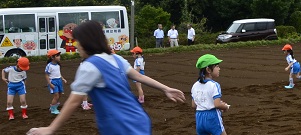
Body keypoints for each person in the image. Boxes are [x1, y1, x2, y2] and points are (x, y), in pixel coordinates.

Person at [27, 20, 185, 135]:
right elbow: (138, 76)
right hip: (139, 119)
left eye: (77, 41)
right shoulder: (116, 58)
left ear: (86, 42)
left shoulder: (89, 66)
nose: (76, 46)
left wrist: (51, 129)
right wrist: (166, 88)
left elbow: (74, 100)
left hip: (119, 126)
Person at [191, 54, 230, 135]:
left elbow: (194, 105)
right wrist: (225, 106)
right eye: (217, 66)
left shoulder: (195, 85)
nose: (219, 68)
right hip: (212, 117)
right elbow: (217, 104)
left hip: (199, 118)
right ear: (208, 70)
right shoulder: (214, 85)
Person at [45, 49, 67, 114]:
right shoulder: (49, 66)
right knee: (56, 95)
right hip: (53, 81)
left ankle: (53, 107)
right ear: (52, 57)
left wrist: (63, 79)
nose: (59, 57)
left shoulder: (58, 65)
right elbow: (46, 75)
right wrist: (50, 84)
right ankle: (53, 109)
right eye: (57, 56)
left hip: (59, 81)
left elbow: (59, 73)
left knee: (59, 94)